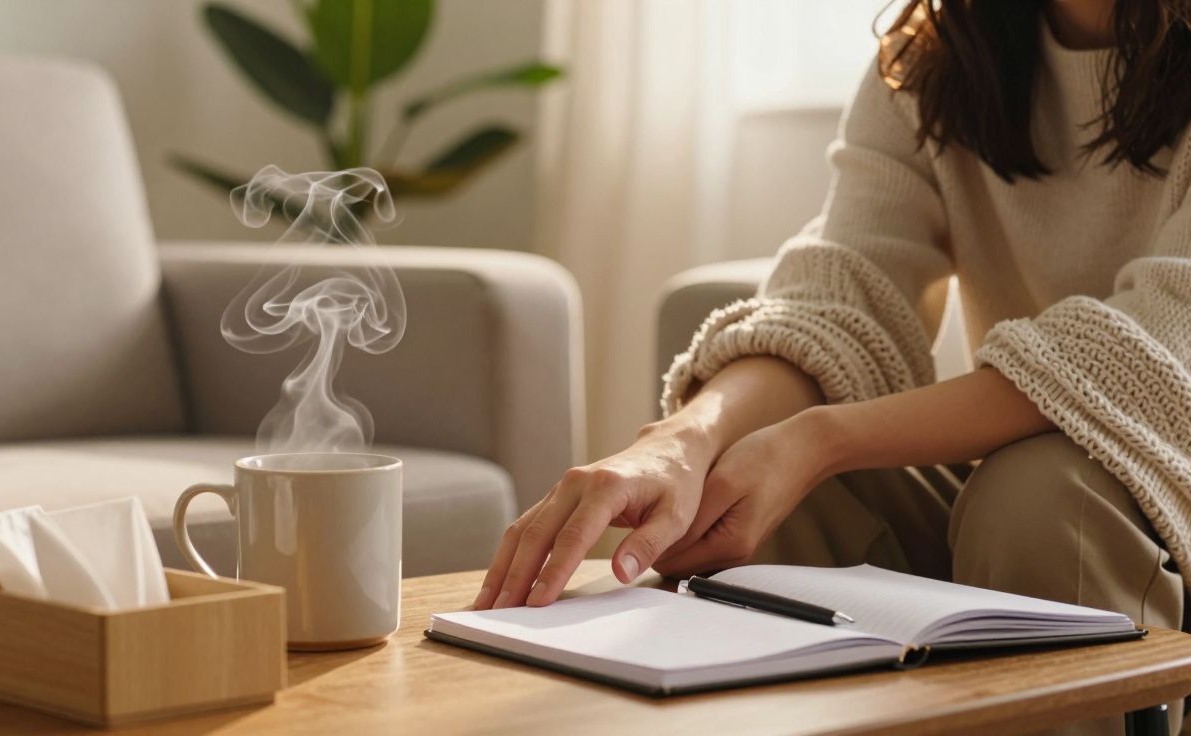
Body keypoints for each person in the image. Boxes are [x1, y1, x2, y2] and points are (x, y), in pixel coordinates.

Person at [476, 1, 1190, 727]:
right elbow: (840, 297)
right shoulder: (939, 55)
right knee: (756, 489)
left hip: (1148, 490)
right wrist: (682, 440)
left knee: (1040, 498)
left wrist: (818, 439)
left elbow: (1149, 347)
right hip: (1029, 477)